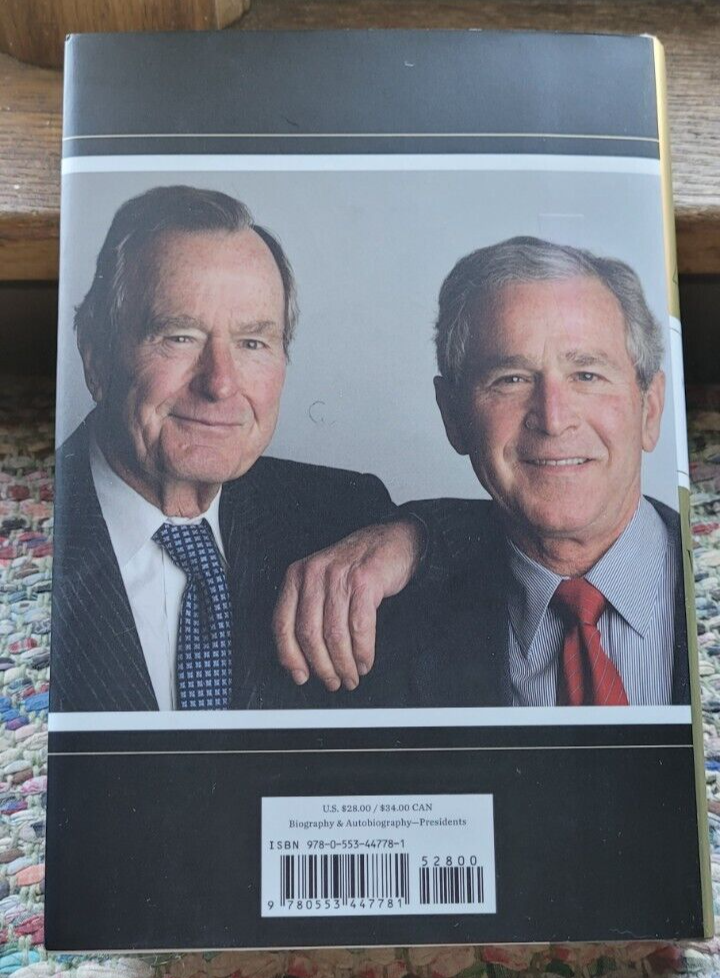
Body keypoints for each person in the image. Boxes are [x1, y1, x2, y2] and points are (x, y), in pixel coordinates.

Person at [50, 185, 420, 712]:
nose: (220, 383)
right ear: (95, 358)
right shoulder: (29, 543)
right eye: (179, 336)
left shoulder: (343, 515)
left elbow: (506, 550)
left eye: (252, 343)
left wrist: (412, 540)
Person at [275, 237, 690, 706]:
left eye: (587, 375)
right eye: (511, 379)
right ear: (452, 415)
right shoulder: (377, 624)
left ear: (651, 409)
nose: (553, 419)